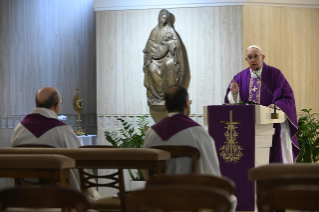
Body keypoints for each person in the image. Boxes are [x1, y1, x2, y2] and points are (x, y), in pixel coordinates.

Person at [143, 85, 237, 212]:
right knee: (230, 199)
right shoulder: (198, 132)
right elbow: (211, 172)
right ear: (187, 103)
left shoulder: (151, 133)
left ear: (165, 106)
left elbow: (147, 170)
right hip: (192, 200)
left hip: (159, 200)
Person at [10, 87, 100, 201]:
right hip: (58, 193)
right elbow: (79, 161)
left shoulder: (20, 128)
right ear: (57, 105)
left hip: (26, 192)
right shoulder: (62, 130)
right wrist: (92, 193)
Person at [224, 45, 300, 163]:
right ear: (246, 60)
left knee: (275, 154)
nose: (253, 59)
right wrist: (234, 94)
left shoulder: (275, 74)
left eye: (256, 56)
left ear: (262, 57)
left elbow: (288, 97)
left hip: (271, 124)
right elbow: (231, 104)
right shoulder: (239, 77)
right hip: (247, 127)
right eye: (250, 57)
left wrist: (278, 105)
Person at [143, 9, 189, 108]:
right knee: (151, 68)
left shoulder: (171, 31)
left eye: (165, 18)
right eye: (162, 17)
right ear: (158, 18)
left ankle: (169, 97)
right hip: (155, 58)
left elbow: (176, 47)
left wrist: (168, 44)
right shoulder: (154, 31)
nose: (163, 20)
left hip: (167, 58)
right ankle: (157, 97)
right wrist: (153, 49)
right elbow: (148, 46)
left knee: (170, 64)